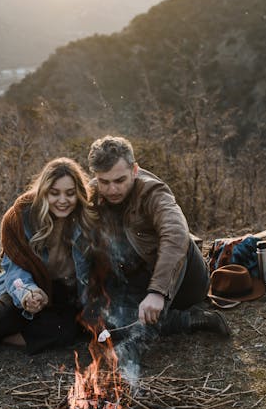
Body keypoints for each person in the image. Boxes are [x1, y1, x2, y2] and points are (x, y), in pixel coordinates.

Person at [0, 157, 95, 354]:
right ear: (43, 192)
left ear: (79, 194)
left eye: (70, 194)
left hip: (65, 294)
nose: (62, 200)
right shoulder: (21, 217)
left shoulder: (89, 219)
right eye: (54, 193)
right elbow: (14, 267)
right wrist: (28, 293)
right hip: (26, 284)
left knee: (65, 333)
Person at [86, 135, 230, 338]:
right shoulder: (91, 192)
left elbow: (176, 234)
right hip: (136, 279)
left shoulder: (153, 191)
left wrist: (158, 291)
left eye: (120, 180)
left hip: (182, 277)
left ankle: (195, 318)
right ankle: (186, 319)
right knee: (98, 321)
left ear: (134, 170)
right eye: (104, 182)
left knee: (131, 327)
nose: (112, 189)